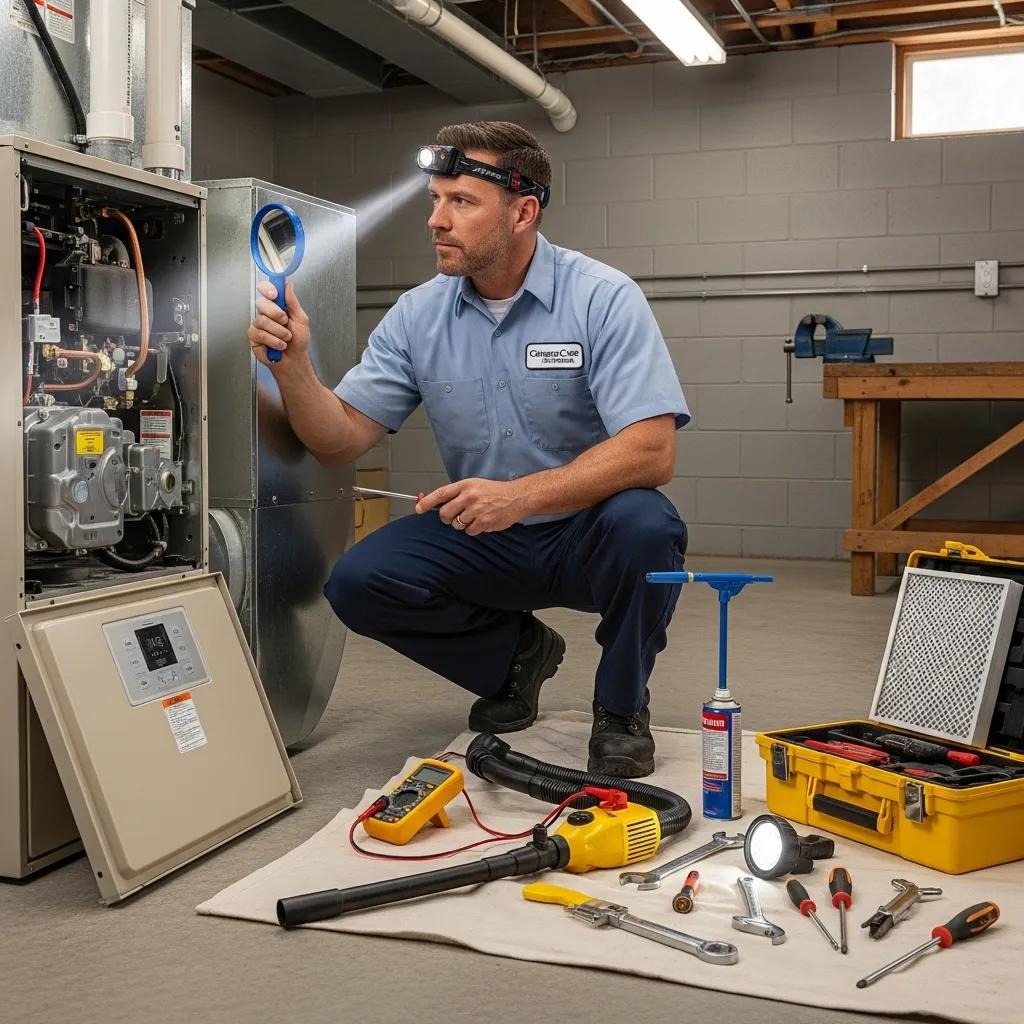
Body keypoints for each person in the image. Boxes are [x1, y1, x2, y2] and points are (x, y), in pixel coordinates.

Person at [246, 121, 690, 778]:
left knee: (647, 527)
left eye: (461, 202)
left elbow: (653, 451)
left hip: (586, 534)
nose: (436, 219)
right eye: (434, 199)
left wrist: (521, 495)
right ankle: (516, 658)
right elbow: (339, 440)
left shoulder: (602, 298)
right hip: (489, 535)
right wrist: (294, 368)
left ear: (523, 211)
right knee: (357, 582)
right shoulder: (419, 315)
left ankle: (621, 707)